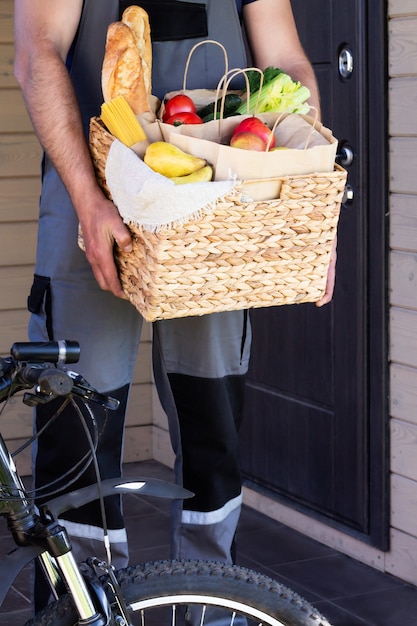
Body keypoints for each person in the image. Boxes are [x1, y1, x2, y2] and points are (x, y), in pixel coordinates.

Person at [14, 0, 334, 610]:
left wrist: (308, 198)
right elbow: (37, 54)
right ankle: (80, 617)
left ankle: (214, 611)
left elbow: (288, 63)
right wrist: (87, 198)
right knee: (76, 437)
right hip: (92, 191)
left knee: (212, 430)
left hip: (220, 204)